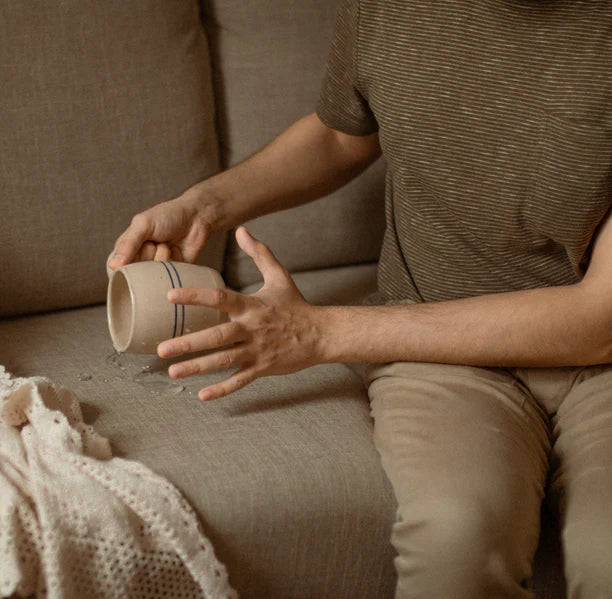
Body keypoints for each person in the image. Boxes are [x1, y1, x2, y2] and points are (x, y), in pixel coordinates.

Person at [107, 0, 612, 597]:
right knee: (457, 538)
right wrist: (206, 206)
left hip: (599, 354)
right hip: (439, 353)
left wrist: (318, 333)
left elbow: (596, 319)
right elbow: (342, 134)